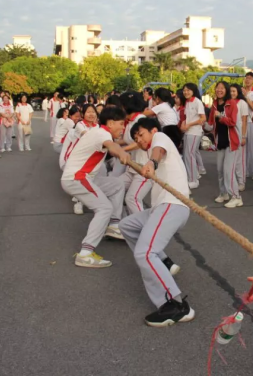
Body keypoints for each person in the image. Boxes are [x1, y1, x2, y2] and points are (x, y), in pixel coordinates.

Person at [120, 117, 194, 327]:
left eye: (141, 135)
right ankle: (159, 265)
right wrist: (123, 154)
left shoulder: (160, 139)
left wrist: (151, 162)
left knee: (144, 252)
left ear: (152, 131)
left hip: (173, 205)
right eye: (136, 138)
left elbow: (157, 152)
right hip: (159, 209)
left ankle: (176, 306)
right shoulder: (150, 151)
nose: (140, 140)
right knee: (126, 226)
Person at [61, 107, 130, 268]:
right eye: (121, 124)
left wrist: (127, 145)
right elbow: (111, 146)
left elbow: (111, 144)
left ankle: (114, 224)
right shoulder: (103, 134)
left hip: (82, 178)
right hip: (77, 178)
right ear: (111, 123)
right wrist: (122, 153)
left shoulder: (99, 131)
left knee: (117, 184)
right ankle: (85, 253)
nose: (123, 127)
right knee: (104, 208)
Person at [118, 91, 154, 216]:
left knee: (132, 199)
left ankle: (142, 228)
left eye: (120, 105)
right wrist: (110, 144)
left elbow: (141, 142)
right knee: (115, 188)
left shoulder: (140, 119)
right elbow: (127, 140)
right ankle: (118, 221)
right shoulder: (129, 122)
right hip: (132, 167)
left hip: (143, 168)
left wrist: (122, 150)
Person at [208, 81, 242, 208]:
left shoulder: (231, 103)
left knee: (228, 170)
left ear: (226, 90)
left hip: (231, 141)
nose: (219, 90)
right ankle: (224, 194)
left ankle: (236, 197)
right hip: (220, 141)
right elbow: (210, 122)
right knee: (220, 170)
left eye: (222, 88)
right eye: (217, 88)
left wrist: (220, 117)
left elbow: (232, 122)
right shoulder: (215, 104)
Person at [180, 83, 206, 189]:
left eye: (188, 90)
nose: (186, 92)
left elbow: (203, 118)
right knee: (188, 155)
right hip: (188, 131)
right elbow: (187, 117)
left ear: (193, 91)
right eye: (184, 90)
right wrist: (184, 125)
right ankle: (193, 176)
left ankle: (193, 180)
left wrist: (189, 125)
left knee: (189, 155)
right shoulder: (187, 102)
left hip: (194, 132)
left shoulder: (197, 102)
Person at [229, 84, 249, 191]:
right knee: (231, 160)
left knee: (240, 160)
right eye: (230, 91)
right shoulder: (227, 103)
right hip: (230, 135)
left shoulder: (242, 103)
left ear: (238, 92)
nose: (232, 93)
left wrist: (243, 136)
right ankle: (234, 181)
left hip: (239, 134)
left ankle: (241, 182)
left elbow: (244, 120)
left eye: (234, 91)